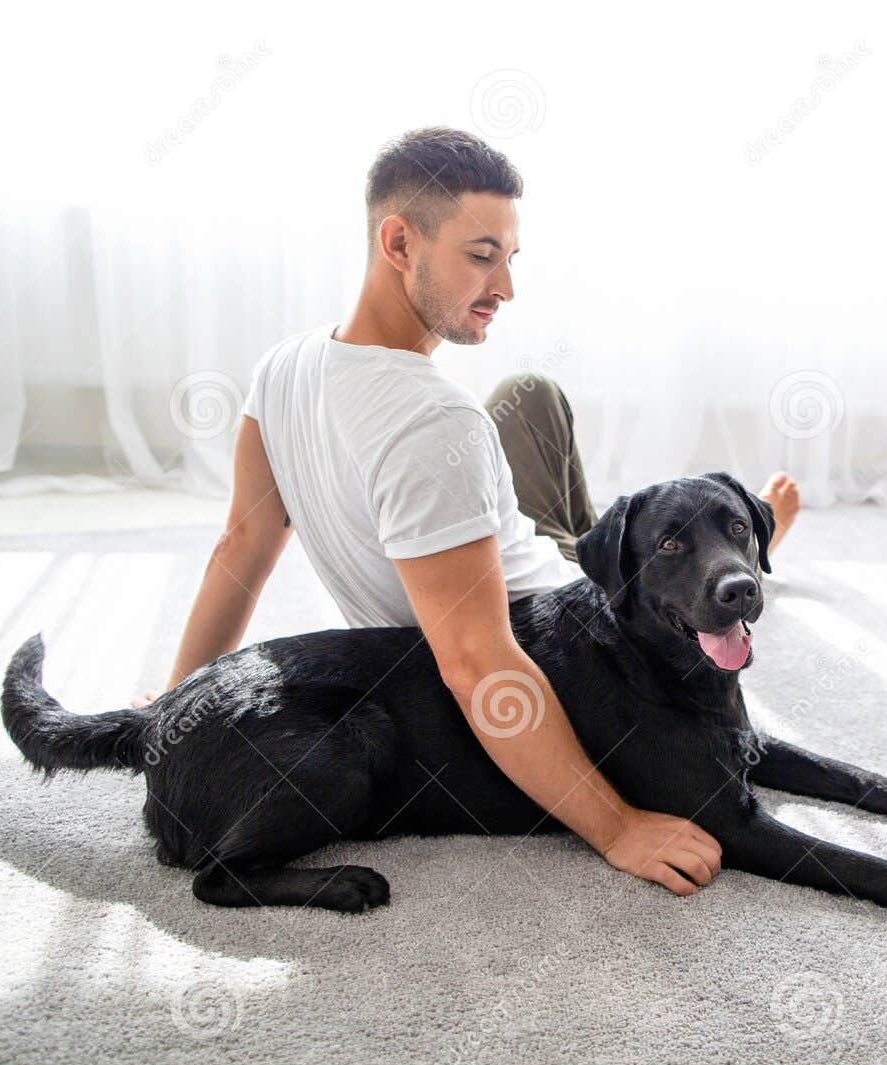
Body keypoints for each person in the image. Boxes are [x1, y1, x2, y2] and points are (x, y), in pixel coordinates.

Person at [142, 126, 801, 898]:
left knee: (532, 397)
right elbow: (479, 666)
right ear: (398, 241)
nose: (506, 288)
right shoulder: (436, 426)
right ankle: (719, 539)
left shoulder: (283, 366)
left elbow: (243, 541)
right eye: (482, 256)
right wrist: (619, 826)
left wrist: (177, 705)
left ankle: (684, 537)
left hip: (521, 550)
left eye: (510, 259)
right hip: (552, 617)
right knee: (549, 453)